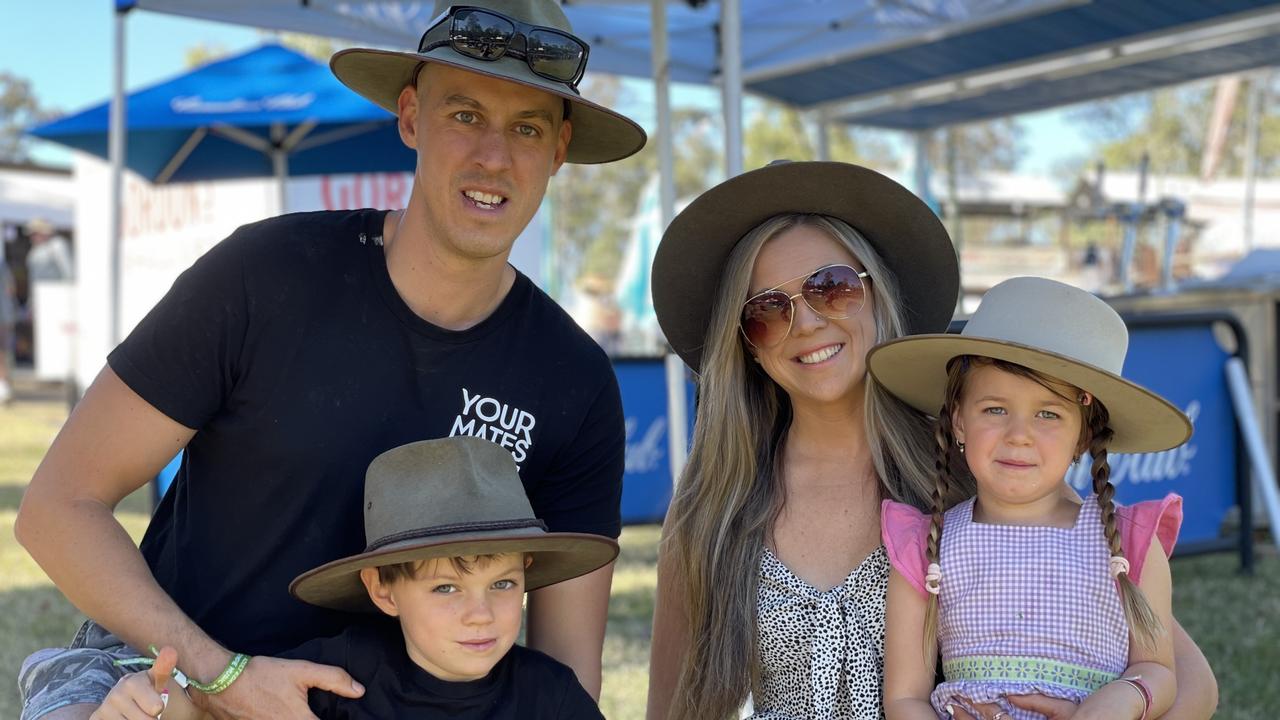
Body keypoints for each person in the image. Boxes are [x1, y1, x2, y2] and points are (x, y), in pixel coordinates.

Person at [15, 1, 646, 719]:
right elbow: (56, 508)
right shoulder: (265, 274)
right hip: (164, 672)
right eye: (465, 115)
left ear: (558, 151)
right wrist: (224, 677)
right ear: (411, 117)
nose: (493, 157)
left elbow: (567, 679)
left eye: (526, 128)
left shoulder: (574, 379)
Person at [644, 161, 1218, 720]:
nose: (808, 324)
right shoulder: (711, 507)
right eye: (768, 310)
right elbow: (671, 706)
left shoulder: (977, 468)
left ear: (878, 293)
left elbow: (1188, 684)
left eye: (832, 288)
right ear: (746, 341)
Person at [91, 437, 618, 720]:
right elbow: (216, 710)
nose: (480, 613)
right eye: (445, 588)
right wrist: (159, 705)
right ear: (382, 589)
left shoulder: (550, 697)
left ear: (527, 576)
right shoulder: (340, 677)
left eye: (501, 585)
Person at [874, 277, 1189, 719]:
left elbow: (1158, 669)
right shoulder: (926, 545)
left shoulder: (1129, 540)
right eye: (995, 409)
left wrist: (1126, 697)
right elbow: (905, 697)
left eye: (1048, 414)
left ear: (1084, 435)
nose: (1019, 435)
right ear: (959, 422)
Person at [24, 217, 74, 283]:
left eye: (35, 233)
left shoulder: (57, 245)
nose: (32, 237)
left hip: (55, 289)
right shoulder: (34, 250)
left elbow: (68, 272)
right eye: (31, 234)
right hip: (39, 290)